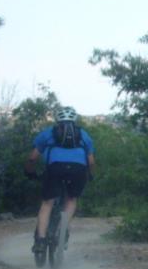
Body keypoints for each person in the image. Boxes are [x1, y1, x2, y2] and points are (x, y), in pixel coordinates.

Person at [25, 107, 96, 255]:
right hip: (78, 170)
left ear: (58, 120)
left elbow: (32, 157)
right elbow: (91, 161)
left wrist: (29, 171)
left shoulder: (48, 133)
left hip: (54, 169)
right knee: (71, 199)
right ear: (74, 120)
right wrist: (90, 175)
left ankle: (41, 241)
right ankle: (61, 232)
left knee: (47, 203)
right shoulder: (83, 135)